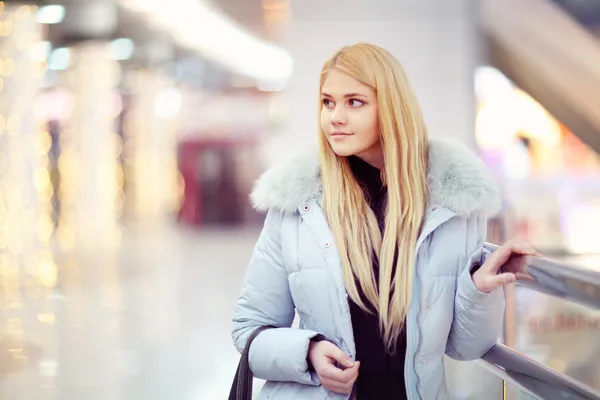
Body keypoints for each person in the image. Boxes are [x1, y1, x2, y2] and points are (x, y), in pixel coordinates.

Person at [231, 42, 538, 400]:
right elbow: (249, 330)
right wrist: (308, 353)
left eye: (354, 102)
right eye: (328, 102)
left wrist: (479, 290)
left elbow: (467, 348)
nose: (335, 117)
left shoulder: (452, 207)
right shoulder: (298, 206)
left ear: (391, 108)